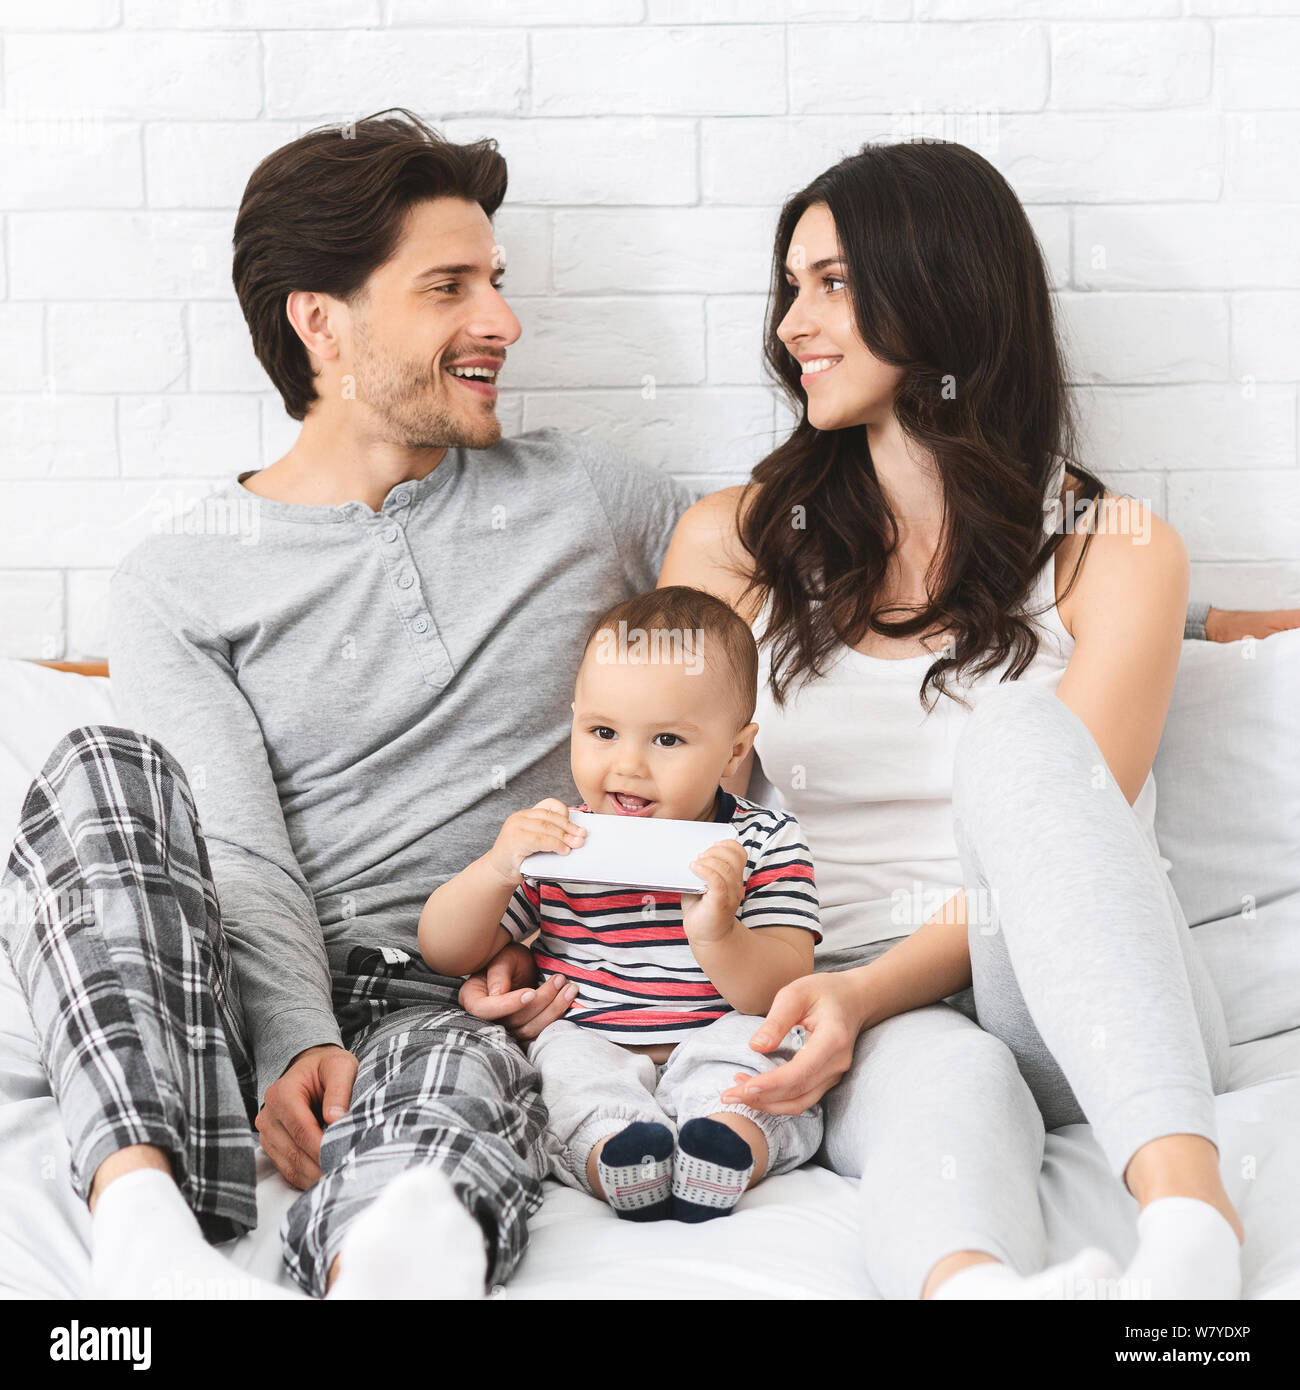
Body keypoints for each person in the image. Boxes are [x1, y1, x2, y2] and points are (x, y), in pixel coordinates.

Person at [0, 110, 691, 1300]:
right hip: (226, 994)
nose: (503, 322)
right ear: (320, 321)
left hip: (456, 994)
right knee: (102, 768)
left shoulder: (590, 496)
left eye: (498, 281)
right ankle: (142, 1226)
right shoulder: (180, 580)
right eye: (449, 288)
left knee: (440, 1105)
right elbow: (239, 851)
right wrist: (293, 1035)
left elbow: (779, 640)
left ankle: (390, 1261)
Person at [658, 139, 1267, 1300]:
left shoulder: (1112, 550)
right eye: (790, 287)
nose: (793, 323)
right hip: (850, 996)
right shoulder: (731, 544)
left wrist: (864, 988)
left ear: (938, 288)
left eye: (832, 282)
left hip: (1085, 994)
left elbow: (1086, 835)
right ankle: (978, 1287)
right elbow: (657, 778)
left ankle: (1192, 1228)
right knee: (944, 1090)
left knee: (1025, 737)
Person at [420, 587, 822, 1222]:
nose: (628, 764)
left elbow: (781, 988)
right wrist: (498, 868)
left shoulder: (760, 841)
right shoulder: (562, 840)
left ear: (735, 749)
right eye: (602, 731)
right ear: (574, 719)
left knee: (759, 1056)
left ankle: (726, 1145)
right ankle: (619, 1156)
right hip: (596, 1035)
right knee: (566, 1071)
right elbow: (445, 950)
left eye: (666, 739)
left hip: (717, 1030)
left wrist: (720, 932)